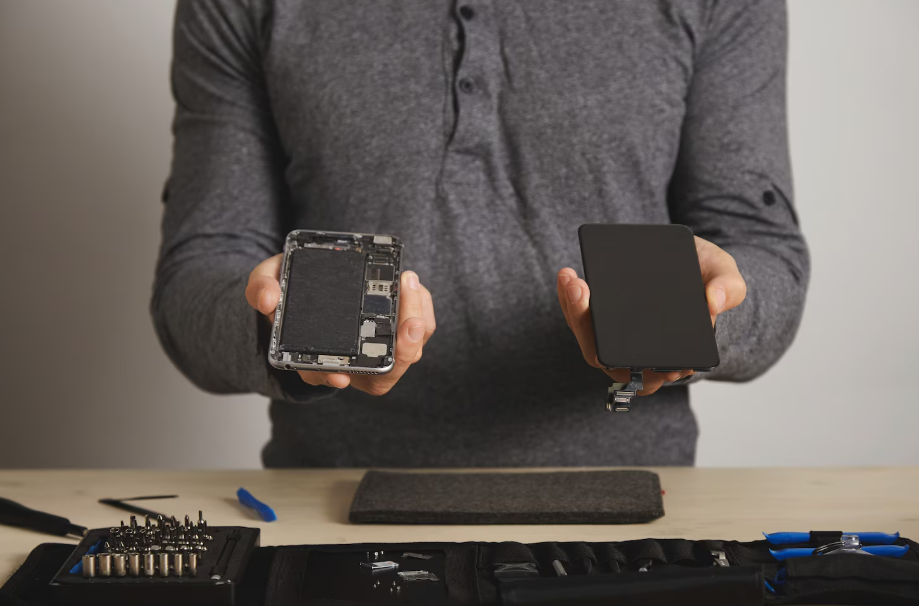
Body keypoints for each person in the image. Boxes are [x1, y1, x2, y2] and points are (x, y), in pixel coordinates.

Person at [153, 0, 809, 467]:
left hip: (630, 514)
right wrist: (281, 329)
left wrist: (699, 317)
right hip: (333, 510)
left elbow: (763, 251)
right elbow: (197, 275)